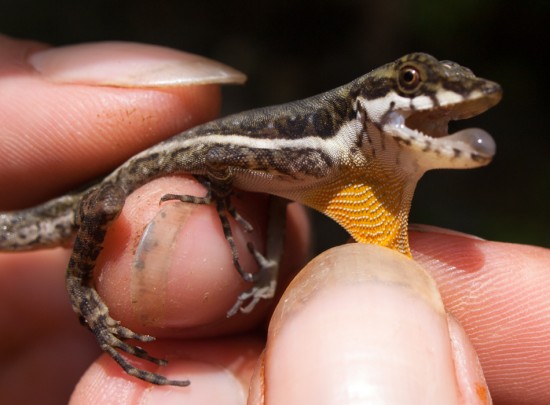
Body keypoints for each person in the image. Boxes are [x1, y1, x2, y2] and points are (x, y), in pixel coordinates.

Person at [0, 34, 548, 404]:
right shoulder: (322, 152)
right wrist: (217, 189)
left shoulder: (323, 162)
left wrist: (264, 269)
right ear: (366, 104)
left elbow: (281, 196)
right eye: (409, 82)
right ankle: (80, 291)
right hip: (104, 191)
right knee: (105, 207)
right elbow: (222, 158)